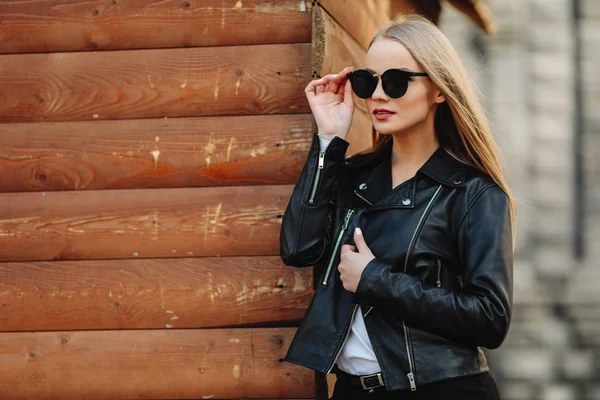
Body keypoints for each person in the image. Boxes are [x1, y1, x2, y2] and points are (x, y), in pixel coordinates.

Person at [279, 14, 513, 400]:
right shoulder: (351, 175)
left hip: (443, 390)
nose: (379, 95)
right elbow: (298, 249)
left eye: (396, 81)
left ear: (438, 89)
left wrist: (374, 279)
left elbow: (491, 318)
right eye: (368, 82)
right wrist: (328, 141)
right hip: (353, 391)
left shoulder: (473, 193)